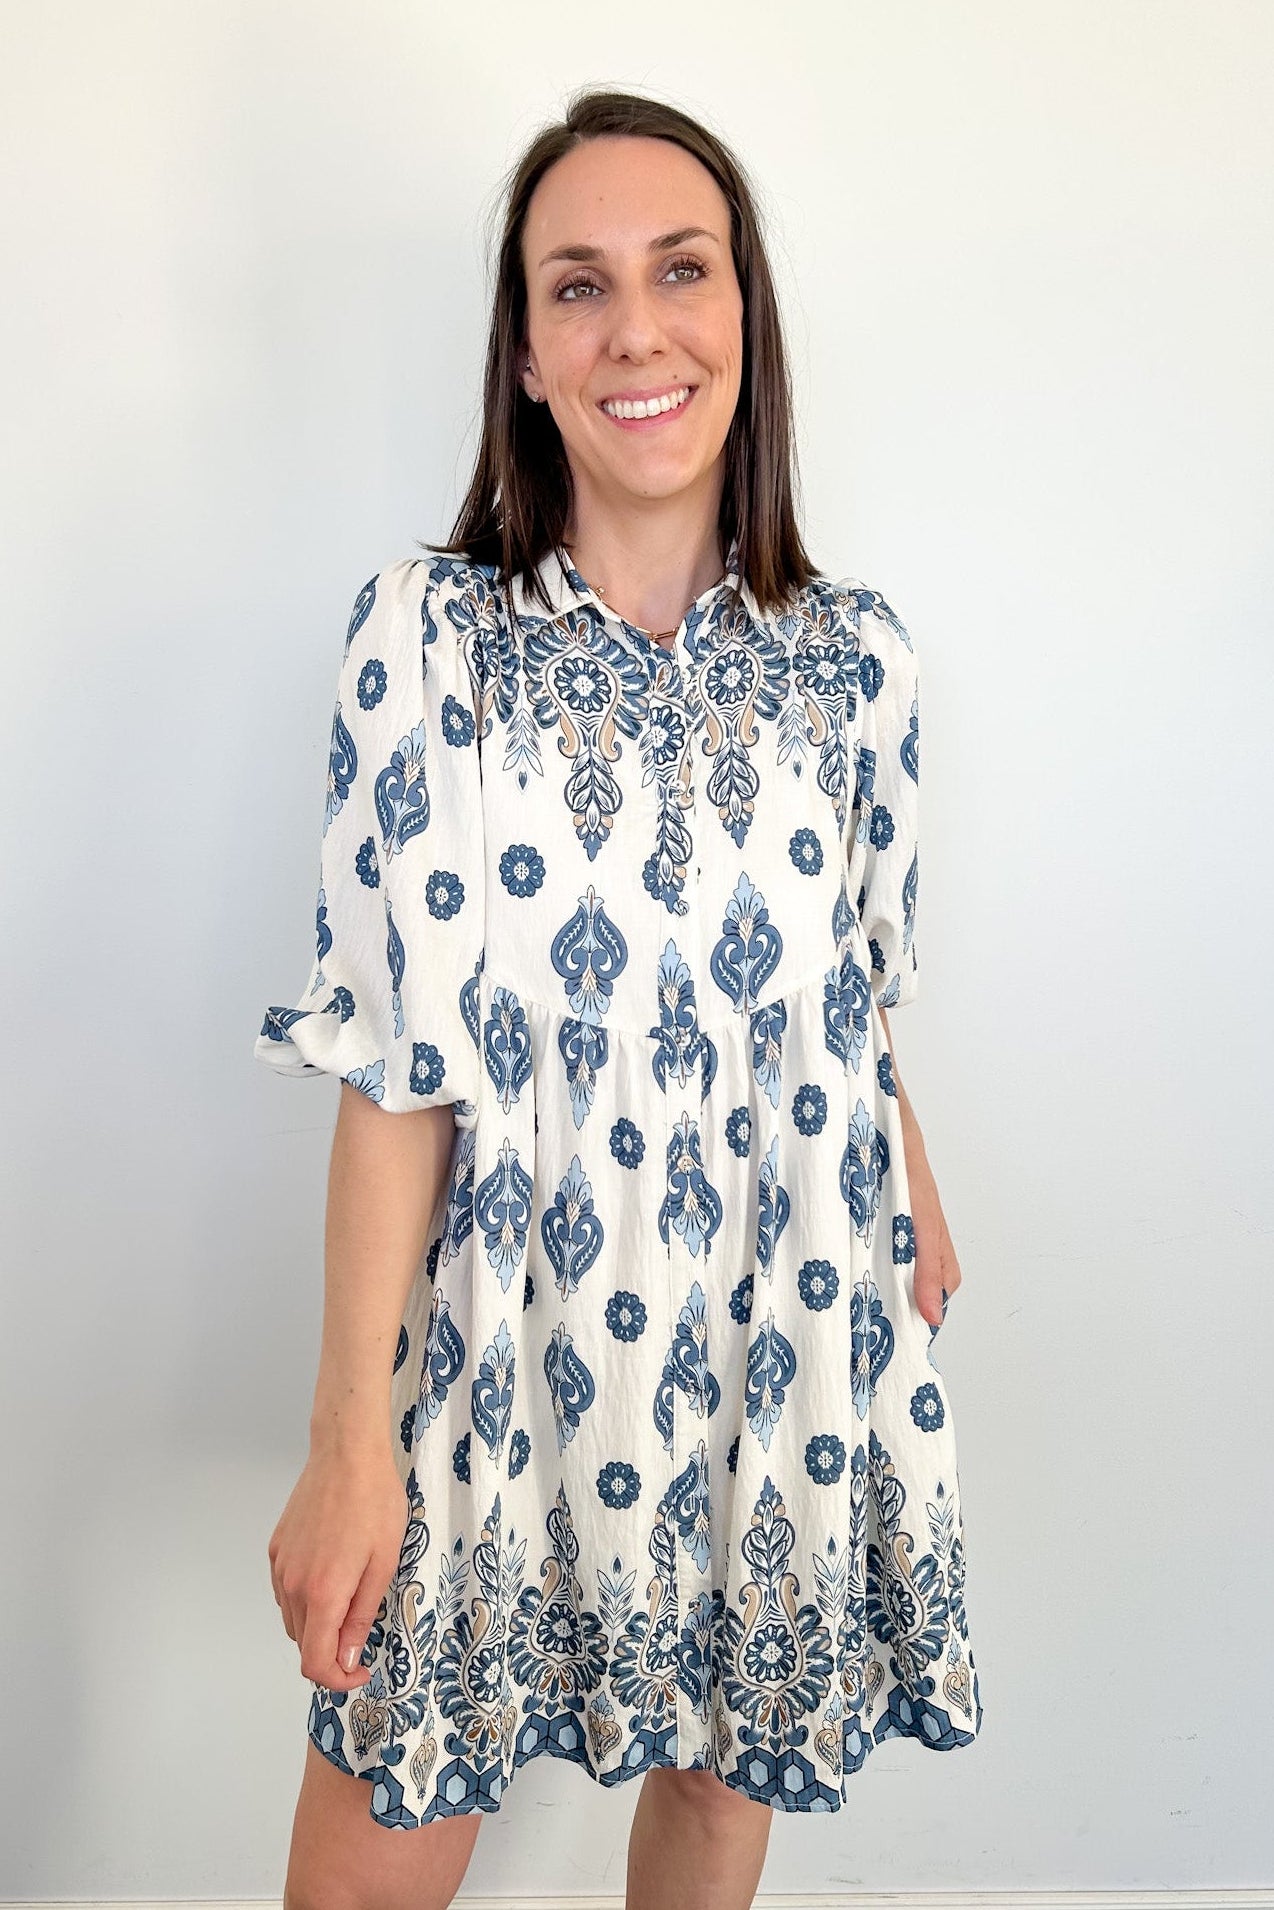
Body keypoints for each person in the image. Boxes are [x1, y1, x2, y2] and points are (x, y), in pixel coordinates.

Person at [253, 85, 983, 1910]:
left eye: (681, 271)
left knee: (724, 1793)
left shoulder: (858, 666)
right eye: (576, 287)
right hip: (505, 1352)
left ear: (745, 315)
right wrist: (351, 1448)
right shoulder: (431, 645)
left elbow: (849, 984)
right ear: (522, 353)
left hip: (775, 1318)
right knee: (374, 1861)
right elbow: (395, 1066)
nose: (637, 329)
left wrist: (904, 1160)